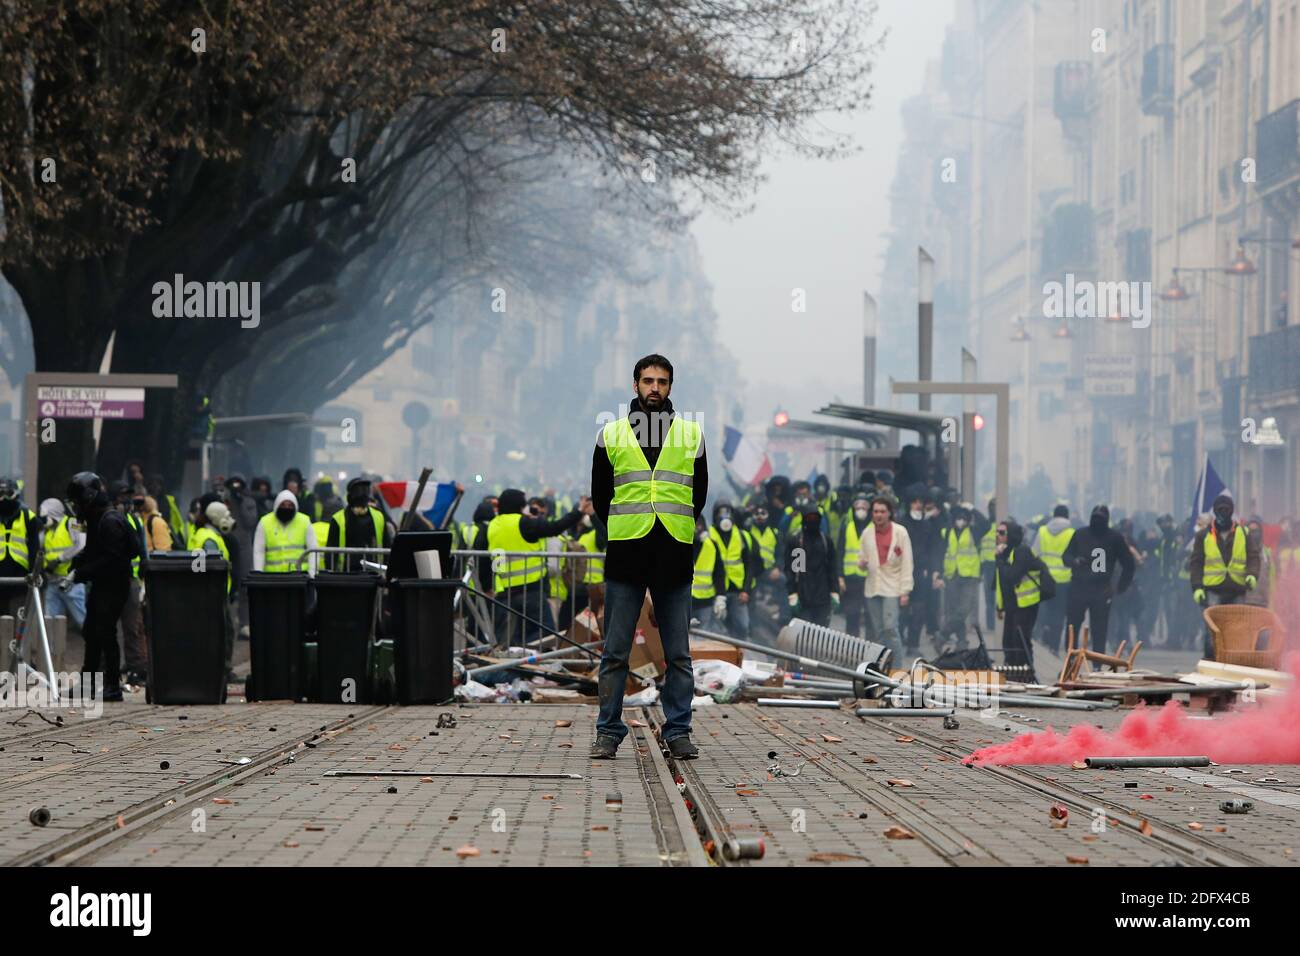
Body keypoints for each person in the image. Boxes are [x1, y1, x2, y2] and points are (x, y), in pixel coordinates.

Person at [589, 353, 705, 761]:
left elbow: (698, 496)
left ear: (671, 387)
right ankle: (608, 730)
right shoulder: (611, 435)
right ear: (635, 386)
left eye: (662, 381)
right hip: (627, 555)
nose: (655, 388)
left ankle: (678, 731)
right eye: (647, 381)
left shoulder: (692, 435)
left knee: (678, 654)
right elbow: (602, 498)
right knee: (616, 650)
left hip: (673, 555)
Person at [64, 472, 138, 701]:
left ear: (88, 498)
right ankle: (89, 683)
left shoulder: (110, 521)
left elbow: (111, 558)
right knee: (91, 631)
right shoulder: (98, 519)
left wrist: (81, 572)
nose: (75, 507)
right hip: (102, 585)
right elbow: (95, 551)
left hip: (114, 586)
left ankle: (112, 685)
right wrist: (79, 563)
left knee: (106, 633)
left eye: (77, 502)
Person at [482, 488, 588, 646]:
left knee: (508, 641)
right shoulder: (524, 523)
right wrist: (579, 512)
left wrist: (486, 586)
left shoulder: (493, 525)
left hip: (504, 592)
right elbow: (555, 527)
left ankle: (511, 668)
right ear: (519, 506)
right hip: (530, 591)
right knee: (544, 636)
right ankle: (536, 664)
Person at [1189, 493, 1260, 659]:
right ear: (1214, 511)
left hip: (1237, 589)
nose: (1223, 513)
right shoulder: (1203, 536)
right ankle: (1211, 661)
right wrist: (1197, 588)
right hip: (1213, 590)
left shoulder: (1244, 533)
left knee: (1238, 630)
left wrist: (1252, 575)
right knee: (1212, 631)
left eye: (1226, 510)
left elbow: (1253, 557)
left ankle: (1235, 661)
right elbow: (1196, 563)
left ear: (1232, 511)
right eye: (1220, 510)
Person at [1061, 504, 1135, 654]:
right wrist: (1075, 561)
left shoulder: (1114, 538)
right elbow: (1066, 556)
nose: (1097, 522)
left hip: (1101, 589)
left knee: (1099, 630)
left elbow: (1129, 563)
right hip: (1079, 587)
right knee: (1072, 627)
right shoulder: (1080, 534)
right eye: (1095, 518)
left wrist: (1121, 587)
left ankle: (1096, 665)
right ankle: (1070, 661)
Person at [857, 495, 911, 664]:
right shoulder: (867, 533)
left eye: (882, 511)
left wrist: (905, 591)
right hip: (873, 586)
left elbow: (907, 562)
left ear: (889, 513)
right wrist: (862, 564)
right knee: (878, 632)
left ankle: (897, 669)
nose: (878, 515)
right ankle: (881, 668)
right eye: (875, 511)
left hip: (893, 587)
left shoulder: (900, 532)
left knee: (890, 629)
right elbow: (861, 558)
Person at [109, 480, 149, 686]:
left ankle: (136, 668)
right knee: (107, 628)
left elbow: (143, 551)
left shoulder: (135, 521)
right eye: (122, 495)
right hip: (110, 581)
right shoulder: (105, 519)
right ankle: (109, 669)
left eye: (128, 495)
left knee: (132, 628)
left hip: (131, 580)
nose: (126, 500)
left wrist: (144, 573)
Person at [994, 520, 1047, 669]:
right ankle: (1011, 671)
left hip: (1026, 604)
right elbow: (1000, 584)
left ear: (1011, 535)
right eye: (997, 532)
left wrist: (1000, 560)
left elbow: (1012, 576)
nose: (998, 535)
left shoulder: (1021, 551)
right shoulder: (1005, 552)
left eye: (1002, 532)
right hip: (1012, 604)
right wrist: (1000, 606)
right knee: (1008, 641)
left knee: (1021, 641)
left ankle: (1025, 672)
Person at [784, 501, 839, 626]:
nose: (813, 521)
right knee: (804, 633)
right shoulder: (798, 542)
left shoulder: (826, 541)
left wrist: (835, 592)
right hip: (804, 597)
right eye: (809, 518)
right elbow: (794, 570)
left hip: (823, 597)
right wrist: (792, 594)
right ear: (804, 519)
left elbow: (832, 567)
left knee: (822, 634)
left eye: (815, 518)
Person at [936, 503, 982, 650]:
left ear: (968, 520)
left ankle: (943, 634)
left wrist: (972, 509)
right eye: (958, 518)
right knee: (955, 610)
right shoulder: (947, 531)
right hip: (952, 575)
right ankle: (962, 643)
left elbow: (986, 524)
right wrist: (938, 572)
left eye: (964, 518)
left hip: (969, 576)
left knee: (964, 609)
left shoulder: (974, 531)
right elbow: (940, 551)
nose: (961, 521)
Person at [1030, 504, 1074, 654]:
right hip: (1063, 580)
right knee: (1059, 613)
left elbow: (1034, 553)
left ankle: (1042, 635)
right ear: (1067, 516)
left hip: (1044, 578)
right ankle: (1054, 645)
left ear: (1054, 516)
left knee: (1044, 610)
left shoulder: (1042, 531)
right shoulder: (1071, 533)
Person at [39, 497, 86, 635]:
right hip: (52, 583)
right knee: (49, 624)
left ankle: (101, 650)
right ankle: (51, 655)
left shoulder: (73, 523)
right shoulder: (45, 532)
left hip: (71, 582)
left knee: (82, 620)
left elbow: (82, 543)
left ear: (52, 514)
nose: (43, 520)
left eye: (45, 516)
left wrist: (59, 560)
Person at [326, 477, 393, 573]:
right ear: (350, 495)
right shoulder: (338, 519)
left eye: (365, 490)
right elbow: (330, 553)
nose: (363, 494)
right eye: (358, 491)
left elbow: (387, 546)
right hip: (346, 574)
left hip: (373, 573)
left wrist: (387, 573)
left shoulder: (378, 517)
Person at [708, 501, 753, 639]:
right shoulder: (708, 535)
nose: (724, 516)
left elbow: (749, 565)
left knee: (742, 626)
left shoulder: (742, 536)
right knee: (717, 629)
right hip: (714, 590)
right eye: (721, 512)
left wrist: (746, 589)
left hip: (736, 590)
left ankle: (739, 654)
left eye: (727, 512)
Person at [0, 477, 40, 622]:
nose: (4, 498)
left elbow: (34, 547)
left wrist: (34, 571)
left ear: (15, 494)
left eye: (7, 493)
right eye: (0, 493)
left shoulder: (28, 516)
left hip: (20, 576)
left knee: (19, 617)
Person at [253, 489, 317, 574]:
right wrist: (258, 574)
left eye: (290, 505)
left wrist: (312, 574)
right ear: (276, 506)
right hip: (272, 578)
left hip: (299, 578)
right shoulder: (265, 522)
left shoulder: (304, 522)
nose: (286, 508)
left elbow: (313, 550)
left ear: (295, 507)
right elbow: (258, 551)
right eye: (283, 505)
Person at [837, 491, 871, 639]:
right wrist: (840, 577)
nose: (861, 510)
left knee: (870, 616)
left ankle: (872, 649)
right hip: (850, 578)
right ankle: (852, 648)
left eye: (864, 506)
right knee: (852, 615)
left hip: (870, 578)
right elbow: (839, 552)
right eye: (858, 506)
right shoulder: (847, 526)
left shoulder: (873, 527)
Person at [690, 516, 720, 628]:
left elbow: (719, 573)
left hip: (706, 601)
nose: (697, 528)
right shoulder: (680, 543)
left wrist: (720, 596)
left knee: (704, 635)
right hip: (686, 599)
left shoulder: (712, 545)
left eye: (699, 525)